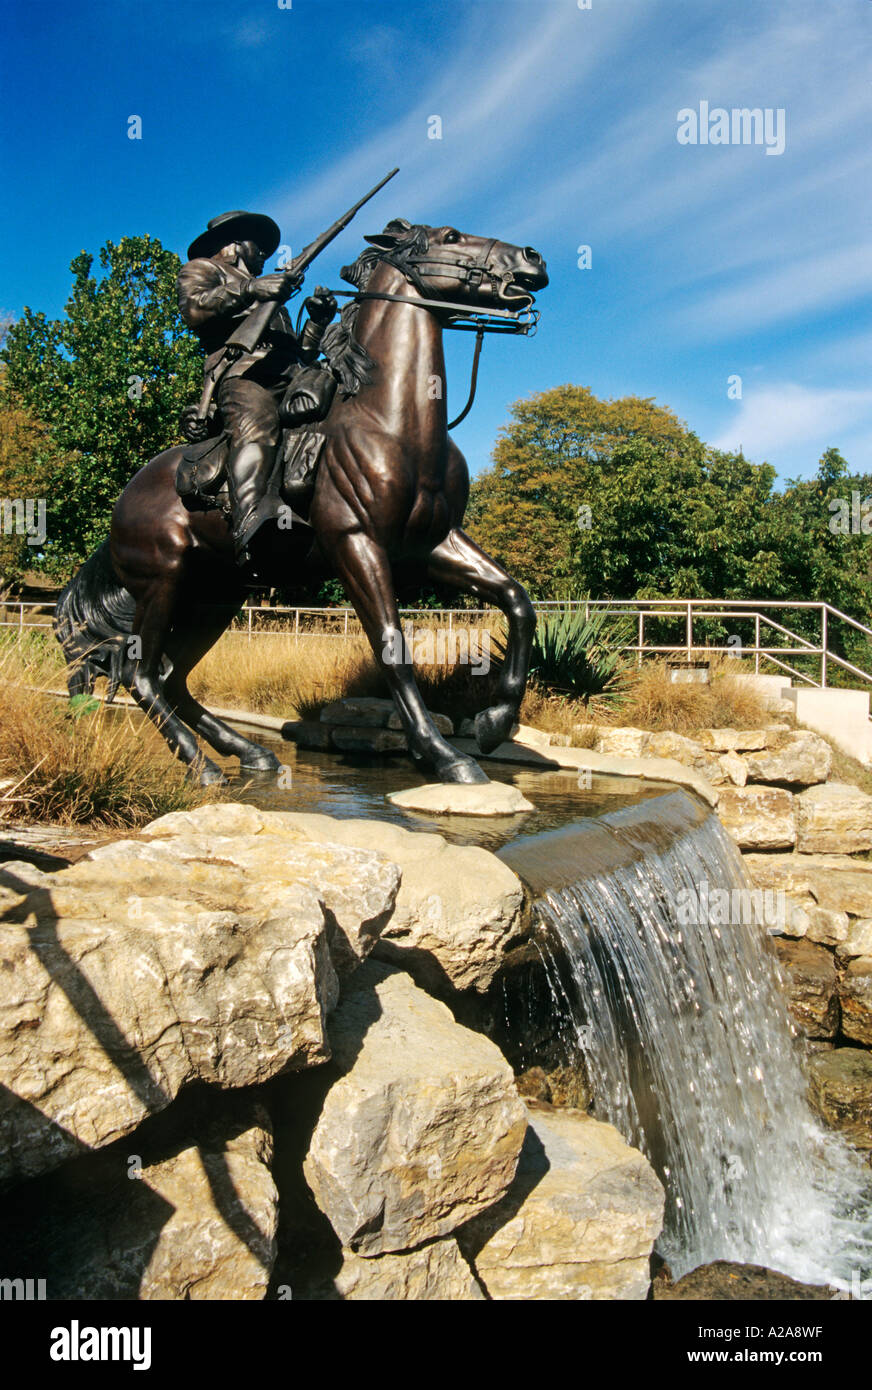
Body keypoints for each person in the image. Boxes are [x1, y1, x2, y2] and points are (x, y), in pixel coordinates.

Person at [177, 209, 336, 561]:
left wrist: (317, 322)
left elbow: (300, 353)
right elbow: (194, 309)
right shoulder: (202, 270)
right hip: (245, 376)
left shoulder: (273, 299)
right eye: (257, 244)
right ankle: (251, 524)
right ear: (233, 245)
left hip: (290, 373)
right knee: (259, 425)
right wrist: (251, 289)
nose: (264, 252)